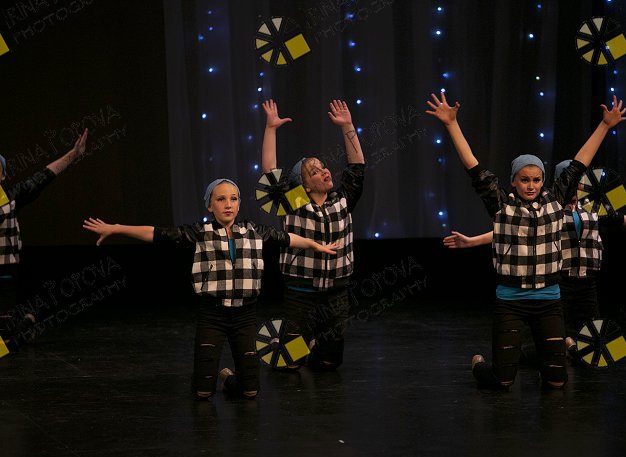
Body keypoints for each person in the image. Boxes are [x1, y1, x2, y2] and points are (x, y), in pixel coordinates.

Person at [426, 91, 626, 389]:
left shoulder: (555, 201)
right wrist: (451, 124)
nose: (530, 186)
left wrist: (605, 125)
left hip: (549, 301)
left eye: (536, 180)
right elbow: (474, 168)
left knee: (557, 382)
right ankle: (480, 365)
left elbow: (580, 163)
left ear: (543, 181)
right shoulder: (501, 204)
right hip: (511, 302)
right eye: (524, 179)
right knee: (503, 381)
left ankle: (552, 359)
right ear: (514, 181)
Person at [82, 178, 338, 399]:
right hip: (212, 315)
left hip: (245, 315)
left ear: (239, 204)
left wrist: (316, 246)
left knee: (251, 391)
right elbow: (157, 234)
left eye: (233, 199)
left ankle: (229, 379)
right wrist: (116, 229)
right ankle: (215, 379)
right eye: (221, 199)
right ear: (209, 205)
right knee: (203, 392)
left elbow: (287, 238)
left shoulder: (253, 230)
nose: (228, 204)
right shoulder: (200, 232)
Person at [443, 172, 626, 361]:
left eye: (580, 184)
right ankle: (534, 352)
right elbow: (507, 232)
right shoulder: (550, 209)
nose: (577, 188)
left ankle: (570, 348)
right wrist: (471, 242)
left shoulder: (591, 207)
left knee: (597, 349)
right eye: (573, 184)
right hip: (561, 281)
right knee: (549, 347)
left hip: (587, 282)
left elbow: (622, 219)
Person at [260, 99, 365, 372]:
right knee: (290, 363)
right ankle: (292, 348)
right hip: (301, 294)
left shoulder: (341, 199)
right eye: (314, 172)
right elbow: (269, 174)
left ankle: (315, 345)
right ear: (304, 186)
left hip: (336, 293)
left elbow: (356, 166)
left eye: (323, 167)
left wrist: (347, 126)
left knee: (330, 362)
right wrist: (271, 129)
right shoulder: (295, 203)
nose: (324, 171)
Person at [0, 129, 89, 352]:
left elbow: (43, 177)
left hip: (5, 273)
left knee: (4, 340)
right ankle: (24, 324)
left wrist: (73, 154)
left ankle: (21, 326)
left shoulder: (10, 199)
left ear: (2, 176)